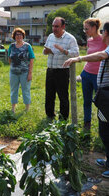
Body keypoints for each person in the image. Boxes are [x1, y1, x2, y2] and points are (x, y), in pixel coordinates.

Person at [63, 21, 109, 178]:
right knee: (104, 129)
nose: (102, 34)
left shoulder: (107, 48)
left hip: (107, 93)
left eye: (103, 32)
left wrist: (79, 58)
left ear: (105, 33)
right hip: (103, 91)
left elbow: (101, 55)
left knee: (106, 129)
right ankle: (108, 161)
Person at [43, 17, 79, 120]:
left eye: (57, 26)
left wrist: (63, 50)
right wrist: (46, 51)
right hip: (50, 69)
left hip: (62, 71)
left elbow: (76, 53)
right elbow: (45, 49)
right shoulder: (50, 36)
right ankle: (49, 115)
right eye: (53, 26)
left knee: (62, 96)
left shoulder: (70, 38)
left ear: (63, 26)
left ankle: (63, 118)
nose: (54, 28)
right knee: (49, 94)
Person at [80, 18, 107, 130]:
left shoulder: (104, 40)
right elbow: (89, 56)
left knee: (101, 102)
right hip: (86, 75)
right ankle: (87, 124)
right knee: (87, 101)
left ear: (95, 27)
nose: (85, 31)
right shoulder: (89, 40)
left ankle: (104, 124)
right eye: (84, 29)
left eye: (87, 28)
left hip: (98, 76)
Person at [8, 27, 35, 113]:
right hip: (13, 73)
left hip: (25, 73)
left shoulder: (27, 46)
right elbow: (9, 58)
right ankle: (13, 108)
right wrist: (13, 67)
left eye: (20, 35)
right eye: (17, 35)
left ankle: (27, 108)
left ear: (23, 36)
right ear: (14, 36)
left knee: (26, 90)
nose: (18, 36)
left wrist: (30, 73)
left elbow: (31, 59)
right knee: (13, 90)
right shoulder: (11, 46)